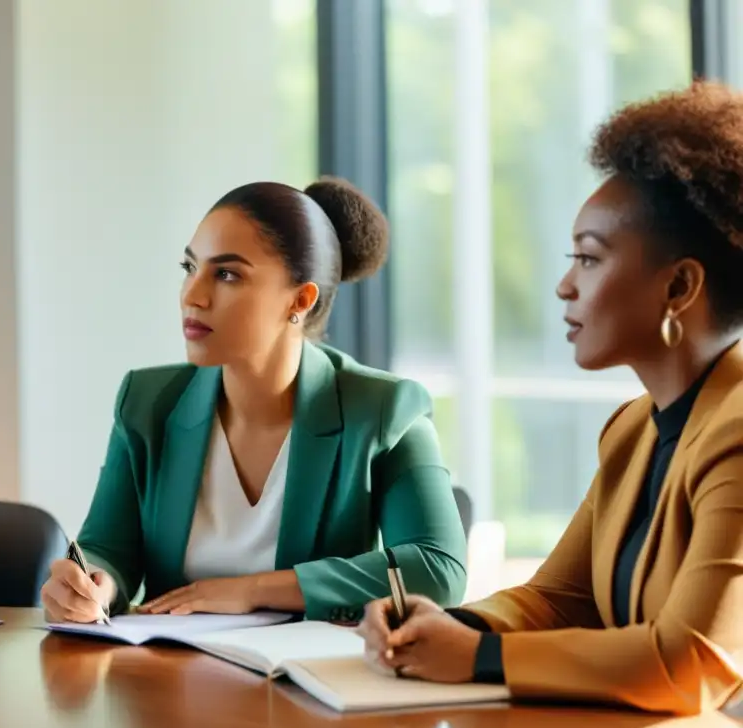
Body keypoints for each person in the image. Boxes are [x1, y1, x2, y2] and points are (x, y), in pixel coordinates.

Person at [358, 81, 743, 716]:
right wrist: (452, 625)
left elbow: (692, 662)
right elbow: (562, 599)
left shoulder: (736, 434)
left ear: (679, 286)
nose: (565, 286)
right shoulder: (634, 430)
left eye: (589, 260)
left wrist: (477, 660)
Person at [41, 177, 467, 624]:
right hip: (170, 675)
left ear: (300, 299)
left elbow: (438, 569)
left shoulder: (383, 409)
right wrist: (94, 584)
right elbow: (108, 548)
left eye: (226, 274)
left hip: (305, 681)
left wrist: (254, 590)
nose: (192, 295)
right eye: (190, 268)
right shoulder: (147, 403)